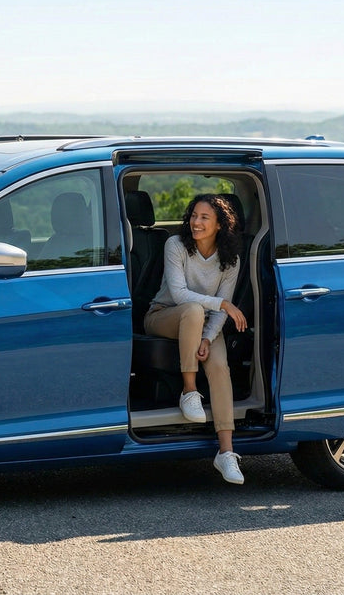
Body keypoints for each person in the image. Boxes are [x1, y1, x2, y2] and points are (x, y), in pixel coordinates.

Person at [143, 193, 248, 484]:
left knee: (218, 365)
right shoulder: (175, 245)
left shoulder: (231, 260)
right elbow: (179, 295)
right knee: (191, 309)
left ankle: (226, 452)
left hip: (202, 324)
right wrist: (224, 304)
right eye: (193, 216)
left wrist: (207, 338)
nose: (196, 222)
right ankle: (189, 391)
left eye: (204, 218)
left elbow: (218, 313)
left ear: (219, 225)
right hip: (164, 315)